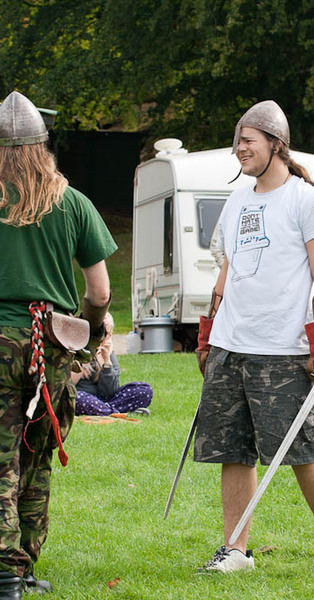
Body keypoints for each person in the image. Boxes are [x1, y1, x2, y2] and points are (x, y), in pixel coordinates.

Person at [192, 100, 314, 580]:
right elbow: (225, 273)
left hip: (282, 349)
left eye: (248, 141)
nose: (239, 149)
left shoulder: (306, 198)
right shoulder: (236, 202)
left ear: (276, 144)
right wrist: (208, 333)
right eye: (237, 141)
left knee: (304, 451)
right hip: (233, 346)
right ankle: (235, 549)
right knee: (233, 448)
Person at [0, 91, 116, 598]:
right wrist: (88, 335)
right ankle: (20, 568)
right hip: (49, 349)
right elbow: (100, 293)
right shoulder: (72, 203)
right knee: (36, 456)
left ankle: (7, 572)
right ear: (43, 146)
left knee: (2, 458)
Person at [73, 313, 153, 416]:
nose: (103, 337)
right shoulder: (75, 347)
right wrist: (83, 361)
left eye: (107, 333)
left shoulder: (108, 352)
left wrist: (106, 362)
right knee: (77, 398)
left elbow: (110, 391)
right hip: (83, 397)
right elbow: (66, 384)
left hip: (105, 399)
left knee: (145, 390)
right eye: (101, 333)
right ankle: (115, 412)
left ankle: (103, 410)